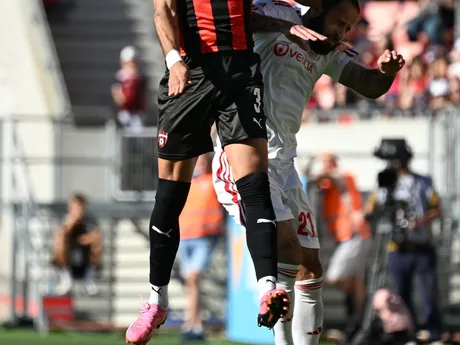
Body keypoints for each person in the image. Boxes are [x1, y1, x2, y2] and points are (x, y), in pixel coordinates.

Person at [124, 0, 326, 343]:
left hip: (240, 72)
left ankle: (267, 289)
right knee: (170, 197)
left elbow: (245, 14)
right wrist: (173, 59)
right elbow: (163, 11)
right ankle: (157, 300)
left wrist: (282, 26)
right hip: (190, 72)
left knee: (255, 185)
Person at [213, 1, 405, 344]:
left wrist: (387, 72)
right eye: (339, 21)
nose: (342, 32)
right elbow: (234, 20)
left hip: (285, 164)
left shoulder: (327, 51)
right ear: (318, 6)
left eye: (348, 28)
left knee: (310, 266)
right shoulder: (280, 14)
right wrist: (285, 28)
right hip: (246, 154)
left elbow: (369, 85)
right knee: (286, 247)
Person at [366, 139, 443, 343]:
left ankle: (434, 332)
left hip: (421, 245)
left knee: (429, 292)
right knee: (401, 293)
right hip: (395, 247)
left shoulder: (423, 181)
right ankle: (408, 332)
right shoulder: (383, 184)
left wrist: (420, 221)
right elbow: (371, 210)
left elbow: (437, 208)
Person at [305, 152, 372, 343]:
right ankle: (357, 317)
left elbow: (332, 177)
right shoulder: (329, 182)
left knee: (335, 277)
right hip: (343, 236)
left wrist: (315, 170)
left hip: (355, 233)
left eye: (325, 162)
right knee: (356, 280)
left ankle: (359, 312)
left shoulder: (344, 175)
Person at [178, 154, 223, 341]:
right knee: (191, 282)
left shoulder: (213, 181)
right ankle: (195, 323)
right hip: (185, 236)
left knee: (194, 278)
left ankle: (191, 323)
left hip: (204, 237)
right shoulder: (188, 183)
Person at [53, 193, 102, 296]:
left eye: (79, 207)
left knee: (97, 244)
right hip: (67, 260)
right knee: (60, 241)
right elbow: (62, 235)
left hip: (85, 258)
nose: (77, 210)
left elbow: (95, 236)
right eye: (75, 207)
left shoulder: (89, 221)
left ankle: (89, 280)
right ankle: (66, 280)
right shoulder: (65, 220)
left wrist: (79, 240)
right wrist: (72, 222)